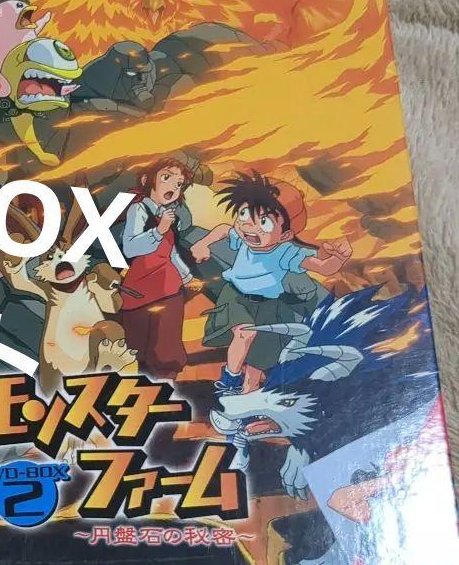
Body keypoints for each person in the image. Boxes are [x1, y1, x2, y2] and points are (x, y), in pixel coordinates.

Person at [191, 170, 351, 394]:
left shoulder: (286, 252)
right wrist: (202, 244)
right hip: (236, 296)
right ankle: (230, 377)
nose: (249, 226)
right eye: (244, 214)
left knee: (258, 361)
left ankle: (247, 396)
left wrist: (339, 258)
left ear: (285, 235)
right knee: (244, 333)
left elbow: (323, 267)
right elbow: (223, 230)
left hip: (268, 308)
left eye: (264, 222)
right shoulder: (242, 238)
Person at [119, 157, 199, 380]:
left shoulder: (168, 216)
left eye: (179, 184)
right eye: (166, 178)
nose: (173, 186)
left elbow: (171, 253)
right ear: (147, 180)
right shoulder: (139, 209)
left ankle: (166, 388)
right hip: (140, 291)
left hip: (168, 290)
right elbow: (130, 248)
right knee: (137, 348)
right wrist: (158, 230)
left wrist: (187, 277)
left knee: (166, 349)